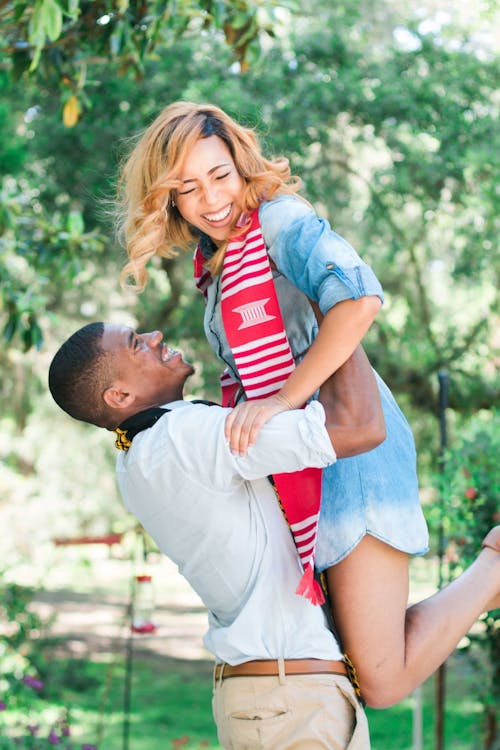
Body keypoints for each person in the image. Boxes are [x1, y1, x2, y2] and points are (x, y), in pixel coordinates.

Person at [115, 101, 500, 706]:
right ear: (168, 199)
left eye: (220, 176)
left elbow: (359, 298)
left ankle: (495, 567)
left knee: (380, 678)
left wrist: (283, 399)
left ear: (242, 167)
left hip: (351, 446)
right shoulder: (214, 266)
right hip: (303, 461)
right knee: (349, 663)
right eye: (187, 188)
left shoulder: (279, 222)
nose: (211, 199)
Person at [49, 323, 387, 749]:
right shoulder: (183, 436)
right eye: (136, 344)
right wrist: (340, 315)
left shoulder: (138, 458)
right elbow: (361, 428)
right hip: (289, 702)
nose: (154, 336)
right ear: (119, 397)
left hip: (274, 698)